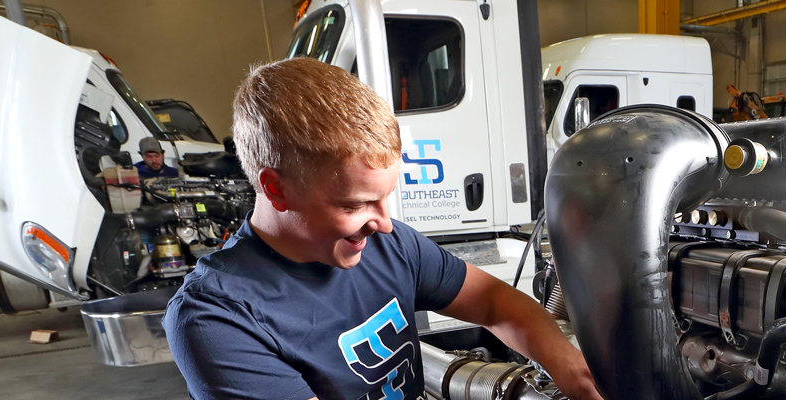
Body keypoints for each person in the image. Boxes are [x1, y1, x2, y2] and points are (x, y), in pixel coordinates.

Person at [164, 58, 602, 400]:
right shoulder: (215, 318)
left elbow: (494, 303)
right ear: (276, 189)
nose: (385, 222)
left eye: (385, 197)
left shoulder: (389, 245)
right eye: (355, 204)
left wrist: (577, 376)